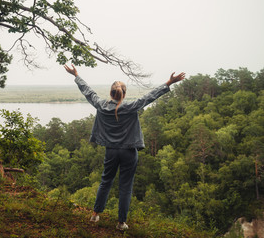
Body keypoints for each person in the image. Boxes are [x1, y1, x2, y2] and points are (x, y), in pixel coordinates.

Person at [64, 64, 185, 230]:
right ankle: (121, 223)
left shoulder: (101, 105)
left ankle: (95, 215)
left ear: (110, 93)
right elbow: (149, 97)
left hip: (111, 151)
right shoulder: (130, 106)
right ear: (124, 93)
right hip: (129, 151)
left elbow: (88, 92)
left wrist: (76, 75)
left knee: (105, 181)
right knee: (125, 186)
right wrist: (169, 83)